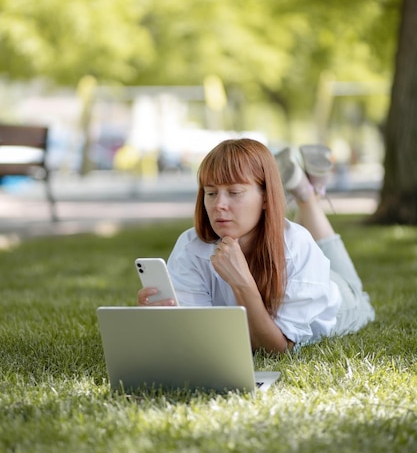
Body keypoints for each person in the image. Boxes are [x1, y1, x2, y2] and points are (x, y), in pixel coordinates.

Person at [137, 138, 375, 354]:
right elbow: (199, 336)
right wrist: (167, 321)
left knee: (357, 291)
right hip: (301, 272)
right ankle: (306, 189)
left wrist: (242, 283)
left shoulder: (297, 246)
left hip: (339, 299)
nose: (219, 205)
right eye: (211, 193)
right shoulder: (190, 247)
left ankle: (307, 195)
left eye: (234, 192)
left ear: (265, 197)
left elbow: (277, 350)